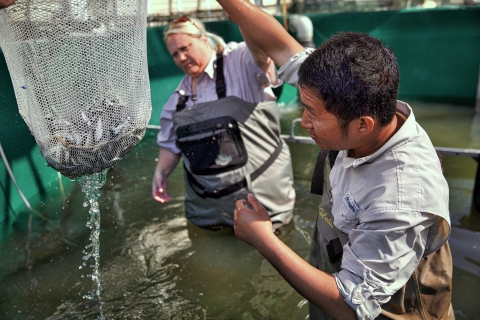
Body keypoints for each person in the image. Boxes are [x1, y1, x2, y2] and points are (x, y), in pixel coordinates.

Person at [217, 1, 454, 319]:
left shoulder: (400, 197)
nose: (303, 121)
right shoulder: (354, 99)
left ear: (362, 124)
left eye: (312, 112)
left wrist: (264, 240)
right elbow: (279, 44)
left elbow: (351, 305)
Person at [152, 16, 296, 231]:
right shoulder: (178, 98)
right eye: (175, 54)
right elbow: (170, 145)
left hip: (261, 205)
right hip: (206, 211)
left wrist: (242, 14)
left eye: (185, 47)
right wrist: (160, 174)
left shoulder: (239, 60)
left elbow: (262, 55)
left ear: (203, 39)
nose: (182, 57)